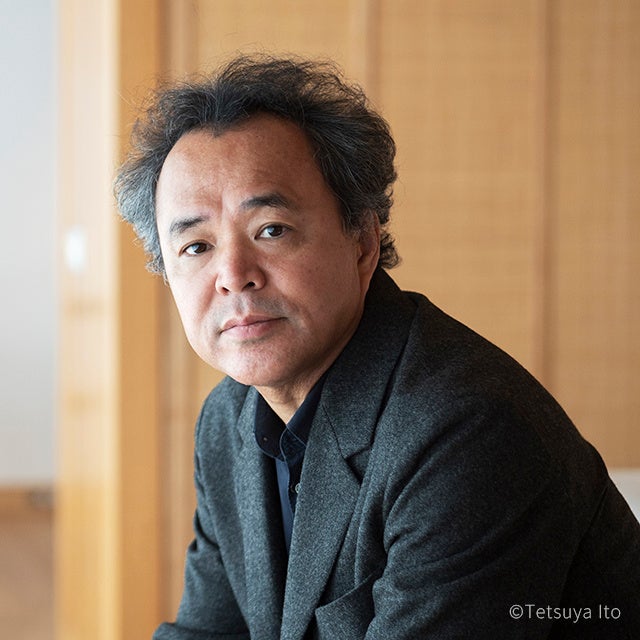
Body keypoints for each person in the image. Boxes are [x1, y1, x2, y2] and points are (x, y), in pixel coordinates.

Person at [115, 55, 640, 640]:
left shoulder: (464, 432)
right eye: (195, 247)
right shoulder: (228, 419)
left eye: (271, 230)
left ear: (363, 242)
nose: (234, 275)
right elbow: (208, 632)